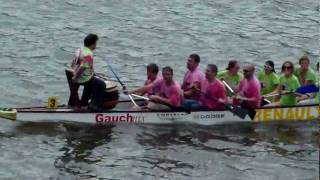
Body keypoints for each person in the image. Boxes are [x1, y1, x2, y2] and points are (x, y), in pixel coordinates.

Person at [67, 34, 106, 110]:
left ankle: (75, 104)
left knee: (91, 82)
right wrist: (75, 77)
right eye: (96, 43)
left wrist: (74, 73)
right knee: (101, 85)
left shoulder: (80, 50)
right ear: (92, 44)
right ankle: (93, 105)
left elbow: (73, 63)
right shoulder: (88, 54)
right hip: (82, 78)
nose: (96, 45)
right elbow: (83, 67)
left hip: (76, 75)